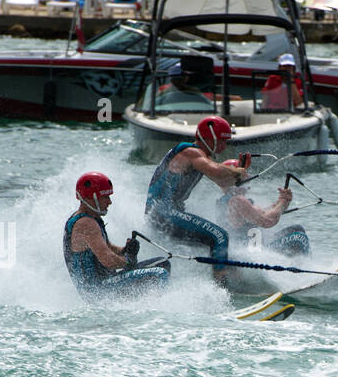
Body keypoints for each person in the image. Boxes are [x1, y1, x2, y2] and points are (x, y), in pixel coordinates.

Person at [145, 115, 247, 281]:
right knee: (219, 237)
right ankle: (222, 289)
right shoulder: (191, 152)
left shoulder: (202, 158)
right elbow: (217, 172)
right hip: (164, 214)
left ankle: (237, 282)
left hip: (167, 215)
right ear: (209, 138)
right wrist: (237, 171)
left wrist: (241, 174)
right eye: (222, 141)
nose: (224, 145)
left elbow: (224, 182)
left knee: (223, 248)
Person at [64, 173, 169, 299]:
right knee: (158, 274)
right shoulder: (85, 224)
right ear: (93, 198)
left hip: (108, 281)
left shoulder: (92, 218)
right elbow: (108, 260)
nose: (110, 202)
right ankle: (153, 309)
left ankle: (140, 303)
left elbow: (106, 246)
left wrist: (125, 250)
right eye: (105, 197)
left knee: (163, 263)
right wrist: (128, 259)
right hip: (98, 291)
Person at [214, 160, 310, 258]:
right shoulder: (238, 201)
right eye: (244, 174)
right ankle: (306, 267)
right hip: (252, 255)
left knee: (296, 229)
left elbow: (263, 213)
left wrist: (282, 202)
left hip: (256, 249)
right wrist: (282, 203)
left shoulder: (230, 200)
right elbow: (267, 221)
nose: (248, 177)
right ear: (234, 179)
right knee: (299, 236)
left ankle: (294, 267)